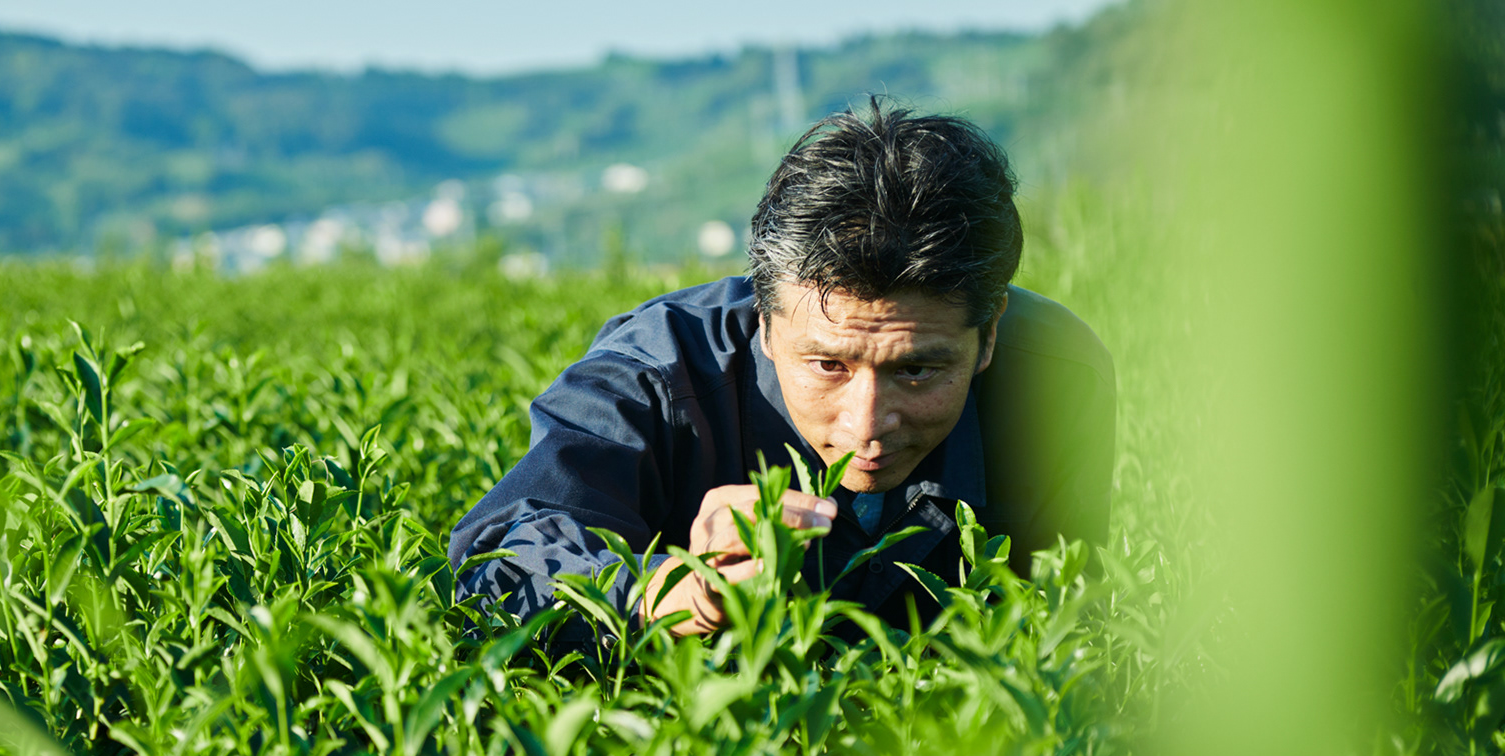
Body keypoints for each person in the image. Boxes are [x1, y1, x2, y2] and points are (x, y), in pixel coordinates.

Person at [447, 102, 1116, 636]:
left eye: (918, 371)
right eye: (828, 364)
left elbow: (1066, 617)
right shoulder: (657, 374)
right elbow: (498, 559)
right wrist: (662, 590)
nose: (868, 425)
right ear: (765, 322)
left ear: (990, 332)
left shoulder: (1055, 377)